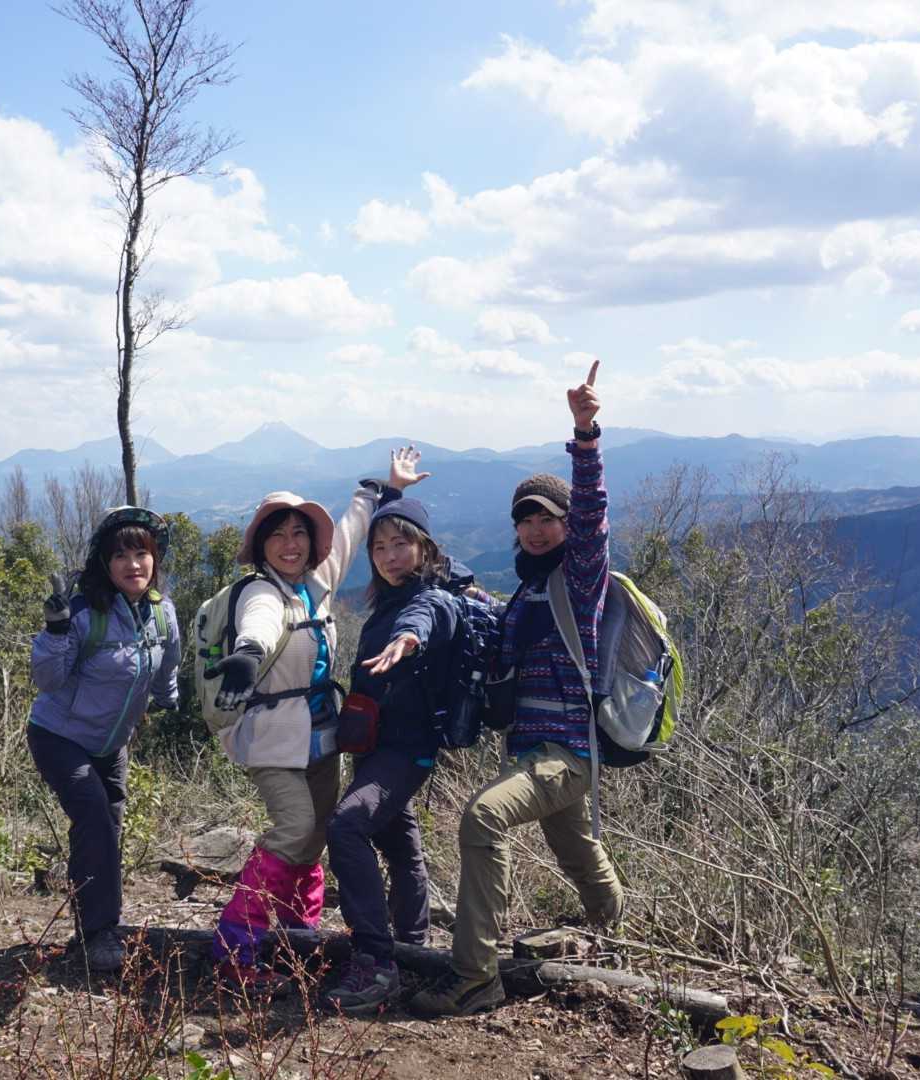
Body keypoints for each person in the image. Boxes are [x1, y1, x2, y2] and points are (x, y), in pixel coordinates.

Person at [409, 363, 624, 1018]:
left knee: (483, 816)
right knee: (576, 849)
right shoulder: (529, 594)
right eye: (524, 519)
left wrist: (585, 435)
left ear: (566, 524)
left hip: (567, 754)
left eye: (547, 518)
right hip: (534, 752)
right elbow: (496, 622)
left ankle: (476, 975)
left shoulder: (580, 581)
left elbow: (593, 516)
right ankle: (618, 932)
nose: (534, 528)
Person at [210, 447, 428, 993]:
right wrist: (248, 652)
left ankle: (295, 938)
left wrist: (385, 491)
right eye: (278, 535)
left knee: (314, 838)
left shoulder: (315, 583)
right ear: (261, 546)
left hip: (321, 738)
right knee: (293, 830)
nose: (290, 544)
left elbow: (351, 534)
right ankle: (235, 952)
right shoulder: (261, 592)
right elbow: (259, 623)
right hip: (272, 739)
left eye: (299, 534)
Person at [323, 483, 479, 1014]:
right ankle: (412, 944)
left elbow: (425, 619)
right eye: (379, 547)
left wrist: (406, 640)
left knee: (347, 826)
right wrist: (392, 491)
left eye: (401, 545)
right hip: (378, 747)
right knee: (399, 843)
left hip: (404, 750)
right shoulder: (392, 596)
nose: (390, 557)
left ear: (425, 548)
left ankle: (375, 961)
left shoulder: (432, 599)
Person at [26, 506, 181, 973]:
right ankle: (100, 933)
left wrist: (168, 698)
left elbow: (167, 662)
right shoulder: (82, 613)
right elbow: (48, 680)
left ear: (155, 559)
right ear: (104, 563)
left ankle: (89, 923)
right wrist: (55, 631)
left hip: (112, 744)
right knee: (95, 819)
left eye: (141, 553)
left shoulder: (161, 613)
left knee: (104, 828)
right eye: (120, 556)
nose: (133, 564)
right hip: (59, 736)